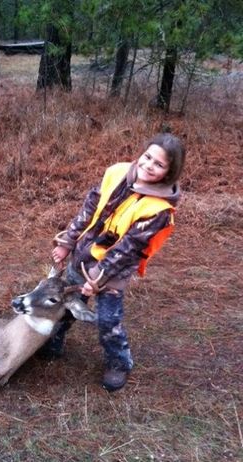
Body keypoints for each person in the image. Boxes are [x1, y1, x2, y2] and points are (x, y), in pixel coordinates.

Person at [40, 133, 185, 392]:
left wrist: (97, 279)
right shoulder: (116, 173)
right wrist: (67, 243)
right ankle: (53, 342)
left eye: (159, 165)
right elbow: (89, 209)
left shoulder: (158, 210)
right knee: (66, 304)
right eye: (148, 157)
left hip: (113, 271)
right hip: (83, 255)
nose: (149, 165)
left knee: (108, 320)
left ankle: (119, 362)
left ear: (169, 173)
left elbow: (129, 249)